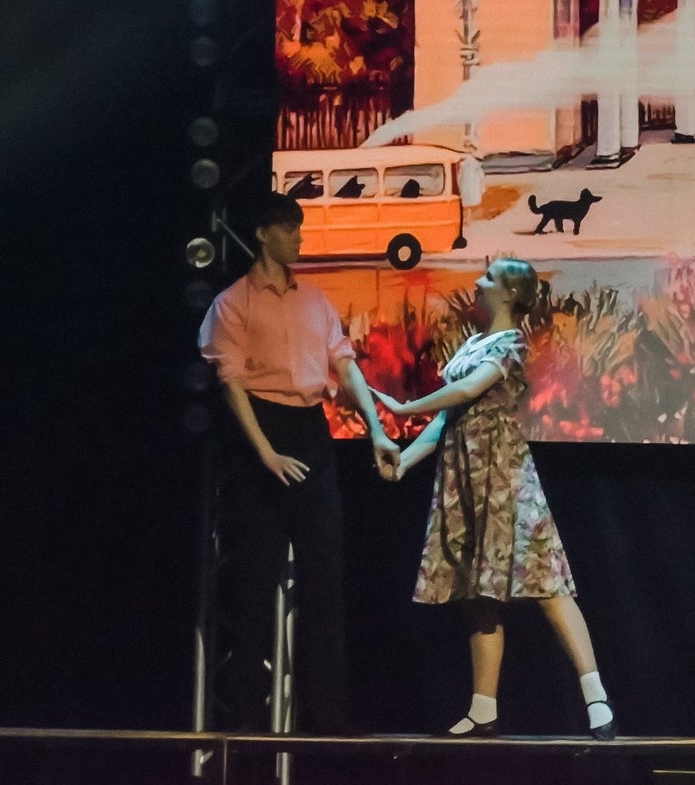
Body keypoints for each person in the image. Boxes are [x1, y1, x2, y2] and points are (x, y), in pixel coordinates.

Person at [374, 259, 616, 740]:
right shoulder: (472, 344)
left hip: (503, 476)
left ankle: (596, 698)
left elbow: (468, 388)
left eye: (488, 279)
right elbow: (447, 420)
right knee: (479, 591)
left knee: (545, 582)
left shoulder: (512, 344)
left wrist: (403, 407)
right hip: (464, 476)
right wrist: (404, 461)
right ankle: (483, 708)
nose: (478, 283)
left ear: (507, 293)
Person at [199, 190, 394, 734]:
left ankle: (328, 725)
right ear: (263, 235)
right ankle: (245, 728)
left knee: (324, 583)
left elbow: (345, 366)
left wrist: (377, 430)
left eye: (299, 228)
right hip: (259, 435)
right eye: (289, 229)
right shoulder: (233, 303)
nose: (299, 239)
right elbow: (232, 383)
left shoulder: (315, 300)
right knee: (254, 584)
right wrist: (264, 452)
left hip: (310, 432)